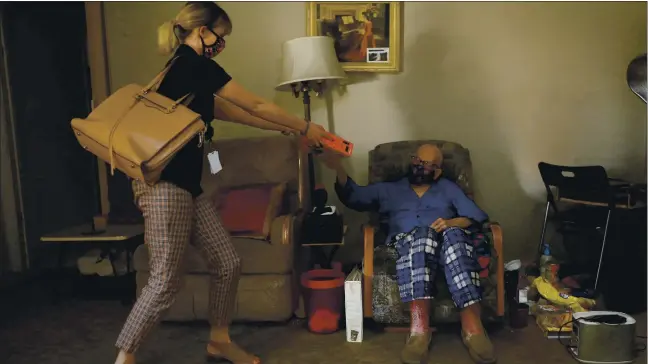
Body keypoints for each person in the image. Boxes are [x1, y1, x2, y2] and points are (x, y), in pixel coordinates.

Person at [113, 2, 330, 364]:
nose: (221, 43)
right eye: (221, 36)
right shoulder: (193, 65)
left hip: (188, 188)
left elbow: (243, 114)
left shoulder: (188, 76)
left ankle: (219, 340)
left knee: (228, 262)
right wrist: (306, 126)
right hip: (165, 186)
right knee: (165, 279)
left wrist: (288, 129)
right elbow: (257, 104)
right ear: (203, 31)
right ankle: (125, 356)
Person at [319, 144, 496, 364]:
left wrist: (451, 222)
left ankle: (472, 327)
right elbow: (354, 196)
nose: (418, 166)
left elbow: (474, 216)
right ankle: (419, 328)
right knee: (423, 236)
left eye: (426, 164)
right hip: (408, 244)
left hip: (447, 245)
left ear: (438, 171)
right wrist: (338, 167)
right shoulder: (390, 189)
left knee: (456, 237)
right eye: (416, 160)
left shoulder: (448, 188)